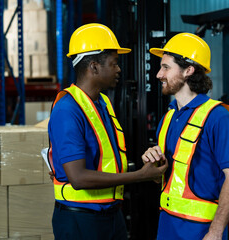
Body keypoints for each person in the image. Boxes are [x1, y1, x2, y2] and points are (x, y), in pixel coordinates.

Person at [47, 23, 168, 240]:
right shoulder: (67, 109)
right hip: (81, 221)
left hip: (110, 215)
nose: (119, 69)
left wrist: (142, 166)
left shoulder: (102, 102)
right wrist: (141, 175)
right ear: (94, 66)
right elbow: (78, 178)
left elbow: (105, 161)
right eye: (114, 64)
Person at [141, 32, 229, 240]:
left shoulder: (219, 118)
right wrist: (152, 163)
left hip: (201, 231)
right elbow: (169, 177)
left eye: (166, 68)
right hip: (167, 226)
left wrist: (215, 232)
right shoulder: (168, 117)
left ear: (188, 70)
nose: (159, 75)